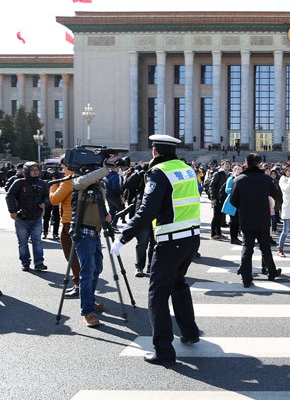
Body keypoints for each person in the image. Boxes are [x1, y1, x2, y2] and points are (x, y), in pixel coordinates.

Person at [112, 134, 201, 365]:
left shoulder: (158, 173)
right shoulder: (187, 169)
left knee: (157, 295)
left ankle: (163, 350)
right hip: (191, 238)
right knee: (179, 284)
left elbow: (147, 210)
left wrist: (124, 236)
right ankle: (190, 332)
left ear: (155, 152)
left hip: (171, 241)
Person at [71, 160, 118, 327]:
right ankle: (87, 311)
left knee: (97, 268)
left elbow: (101, 206)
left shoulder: (98, 186)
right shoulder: (79, 180)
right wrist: (106, 169)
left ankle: (90, 300)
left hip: (95, 231)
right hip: (82, 232)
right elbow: (80, 182)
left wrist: (106, 215)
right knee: (88, 271)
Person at [230, 153, 282, 287]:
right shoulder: (266, 179)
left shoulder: (239, 179)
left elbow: (233, 201)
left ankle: (246, 278)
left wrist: (244, 205)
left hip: (246, 218)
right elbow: (277, 195)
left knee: (247, 248)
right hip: (263, 217)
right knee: (265, 247)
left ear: (246, 164)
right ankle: (271, 272)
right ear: (259, 164)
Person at [5, 162, 49, 271]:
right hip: (22, 219)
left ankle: (39, 263)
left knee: (37, 241)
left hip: (37, 217)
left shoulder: (42, 183)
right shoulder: (19, 182)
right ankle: (25, 263)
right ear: (27, 171)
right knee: (23, 243)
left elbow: (47, 197)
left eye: (37, 169)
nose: (35, 171)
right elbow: (9, 196)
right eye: (32, 170)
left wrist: (45, 203)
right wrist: (13, 211)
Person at [49, 158, 81, 297]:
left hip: (69, 222)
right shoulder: (83, 177)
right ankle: (81, 284)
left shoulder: (69, 179)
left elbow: (54, 200)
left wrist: (53, 185)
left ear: (68, 166)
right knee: (80, 256)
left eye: (63, 167)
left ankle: (79, 284)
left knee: (72, 255)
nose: (62, 171)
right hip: (80, 220)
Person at [209, 160, 230, 240]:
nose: (228, 165)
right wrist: (213, 198)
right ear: (222, 165)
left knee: (220, 216)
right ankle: (213, 234)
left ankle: (219, 233)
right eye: (226, 164)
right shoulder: (218, 174)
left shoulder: (229, 175)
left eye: (229, 164)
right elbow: (212, 186)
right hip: (217, 198)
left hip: (224, 198)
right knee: (216, 216)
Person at [221, 163, 242, 245]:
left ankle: (236, 237)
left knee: (237, 221)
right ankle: (233, 238)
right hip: (232, 202)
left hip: (239, 202)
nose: (239, 171)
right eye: (237, 169)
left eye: (240, 169)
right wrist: (236, 190)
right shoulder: (231, 178)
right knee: (234, 221)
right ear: (234, 170)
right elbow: (227, 190)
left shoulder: (241, 178)